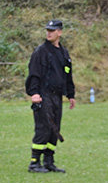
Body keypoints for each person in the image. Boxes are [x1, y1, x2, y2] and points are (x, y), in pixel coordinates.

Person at [25, 19, 75, 174]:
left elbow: (67, 74)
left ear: (59, 32)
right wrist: (34, 93)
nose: (49, 32)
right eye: (47, 30)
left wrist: (71, 94)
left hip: (57, 96)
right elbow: (33, 73)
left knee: (55, 129)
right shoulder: (41, 52)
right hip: (43, 95)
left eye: (52, 30)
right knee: (44, 128)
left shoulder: (63, 53)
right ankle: (34, 163)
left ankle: (49, 162)